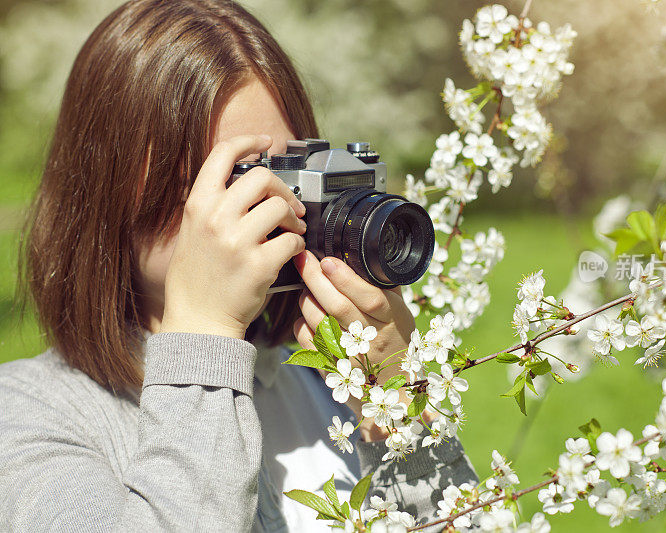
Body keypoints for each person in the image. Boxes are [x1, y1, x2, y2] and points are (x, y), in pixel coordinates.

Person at [0, 0, 478, 531]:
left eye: (284, 170)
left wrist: (397, 408)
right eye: (232, 179)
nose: (268, 204)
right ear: (104, 191)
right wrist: (204, 336)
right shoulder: (25, 418)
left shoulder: (326, 382)